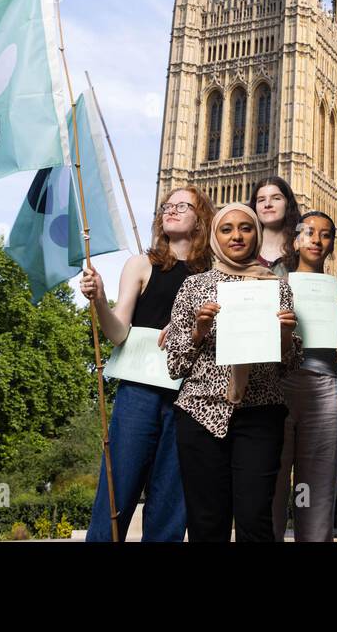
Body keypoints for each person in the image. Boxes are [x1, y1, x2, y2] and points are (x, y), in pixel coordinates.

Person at [81, 185, 214, 542]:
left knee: (171, 506)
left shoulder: (213, 276)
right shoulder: (142, 264)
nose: (170, 210)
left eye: (182, 206)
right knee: (116, 495)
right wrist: (99, 302)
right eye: (166, 206)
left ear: (201, 219)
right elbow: (118, 332)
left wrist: (190, 324)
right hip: (139, 393)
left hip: (190, 397)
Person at [166, 203, 302, 541]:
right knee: (206, 522)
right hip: (200, 412)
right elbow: (175, 366)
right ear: (215, 236)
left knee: (255, 520)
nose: (237, 235)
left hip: (261, 414)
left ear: (256, 234)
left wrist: (285, 335)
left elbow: (290, 366)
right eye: (227, 229)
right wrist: (199, 330)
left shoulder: (276, 286)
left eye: (246, 228)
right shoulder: (194, 286)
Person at [271, 211, 337, 541]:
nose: (317, 239)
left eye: (326, 234)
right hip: (278, 387)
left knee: (312, 489)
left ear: (332, 245)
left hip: (324, 387)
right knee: (273, 483)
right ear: (295, 240)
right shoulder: (273, 284)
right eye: (309, 232)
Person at [251, 177, 301, 272]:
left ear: (287, 203)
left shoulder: (302, 249)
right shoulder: (244, 249)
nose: (268, 204)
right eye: (261, 200)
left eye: (276, 198)